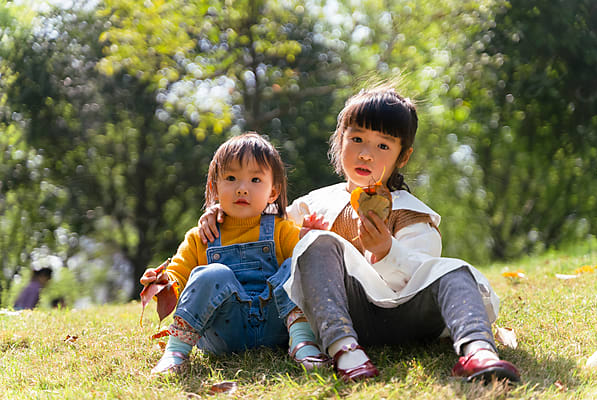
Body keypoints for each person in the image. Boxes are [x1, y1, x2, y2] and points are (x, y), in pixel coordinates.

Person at [199, 86, 520, 383]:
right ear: (340, 141)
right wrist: (223, 213)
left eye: (382, 145)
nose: (366, 153)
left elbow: (426, 272)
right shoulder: (316, 202)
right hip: (345, 315)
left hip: (410, 316)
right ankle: (345, 351)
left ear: (402, 156)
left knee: (455, 270)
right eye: (357, 140)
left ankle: (478, 350)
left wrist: (387, 250)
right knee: (316, 242)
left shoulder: (411, 210)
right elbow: (261, 228)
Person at [140, 133, 329, 376]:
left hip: (278, 326)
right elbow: (178, 275)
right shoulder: (202, 237)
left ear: (273, 192)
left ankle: (303, 342)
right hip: (222, 333)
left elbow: (310, 273)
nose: (242, 189)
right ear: (214, 187)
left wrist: (312, 241)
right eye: (231, 178)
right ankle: (175, 352)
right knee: (211, 273)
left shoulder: (282, 230)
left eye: (255, 179)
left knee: (297, 263)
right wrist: (162, 282)